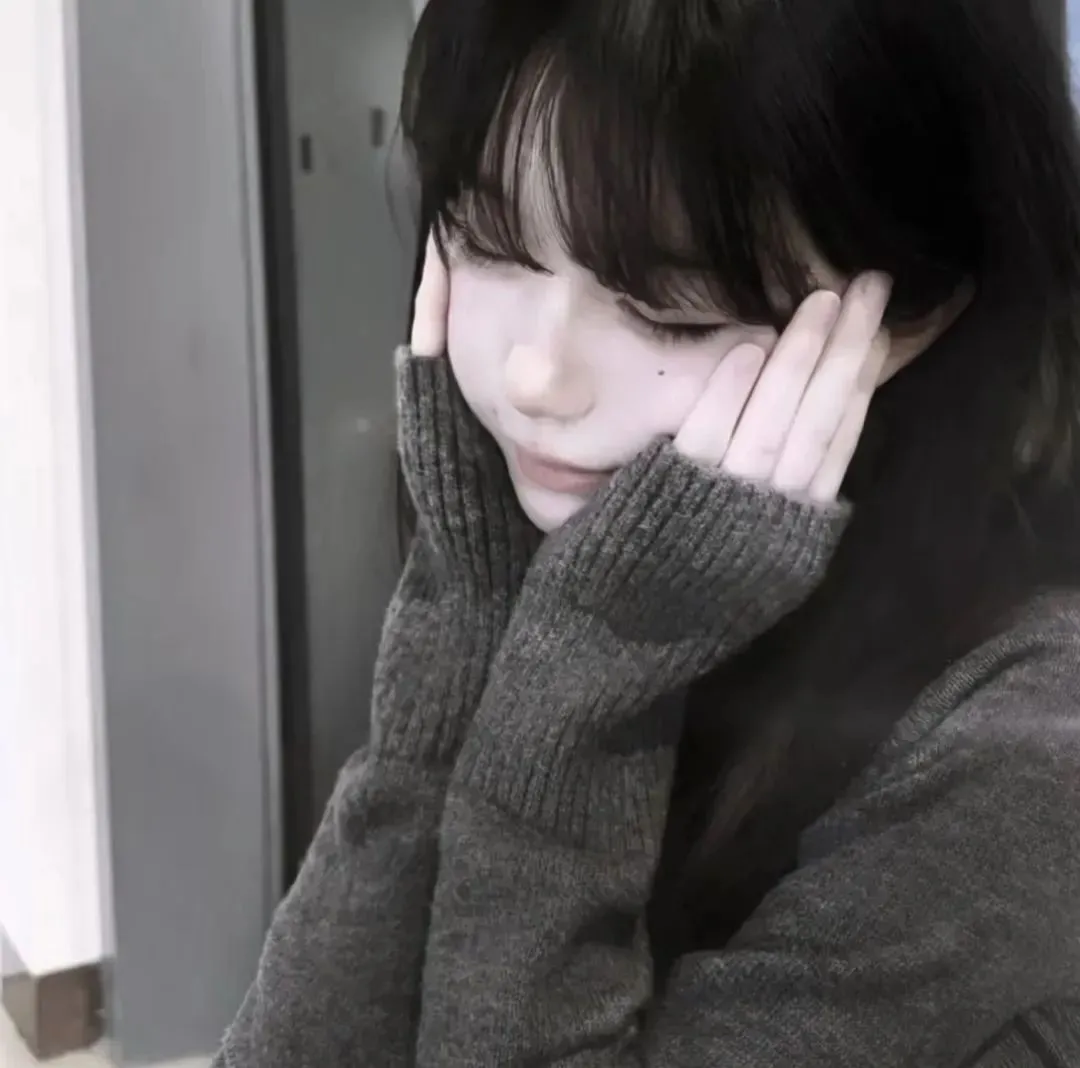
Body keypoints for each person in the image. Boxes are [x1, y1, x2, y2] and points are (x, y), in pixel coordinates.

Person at [214, 0, 1080, 1064]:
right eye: (487, 241)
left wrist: (589, 688)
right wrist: (458, 638)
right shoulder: (579, 543)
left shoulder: (1026, 743)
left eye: (672, 309)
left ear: (916, 315)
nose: (538, 375)